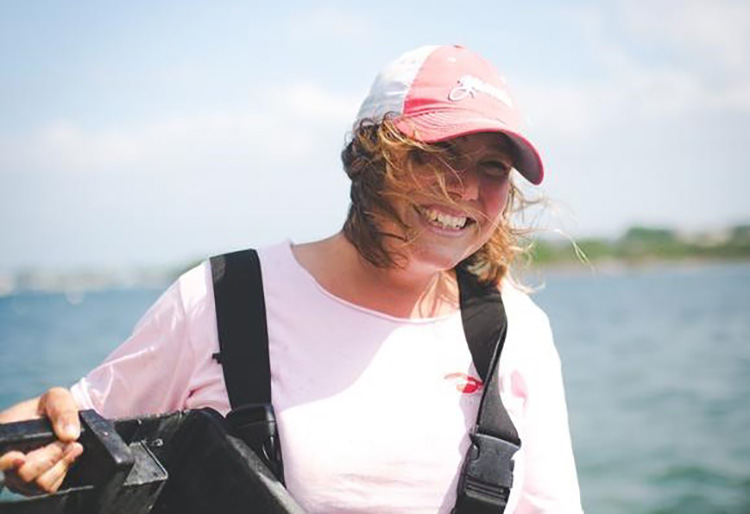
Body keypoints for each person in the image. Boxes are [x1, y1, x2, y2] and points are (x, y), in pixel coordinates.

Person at [0, 44, 583, 513]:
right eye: (436, 154)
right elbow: (63, 426)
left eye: (491, 167)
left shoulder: (517, 333)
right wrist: (39, 446)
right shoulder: (221, 298)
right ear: (368, 155)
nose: (463, 188)